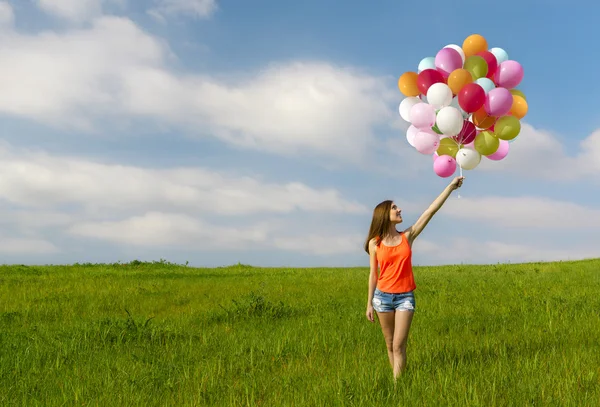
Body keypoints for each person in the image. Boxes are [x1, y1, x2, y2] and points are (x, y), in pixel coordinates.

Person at [364, 176, 464, 380]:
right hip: (382, 298)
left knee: (399, 345)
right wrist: (368, 304)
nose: (399, 210)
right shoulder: (375, 243)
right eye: (394, 208)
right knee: (390, 344)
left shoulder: (407, 237)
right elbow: (373, 274)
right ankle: (398, 383)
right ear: (384, 215)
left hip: (404, 298)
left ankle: (397, 387)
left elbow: (430, 211)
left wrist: (450, 187)